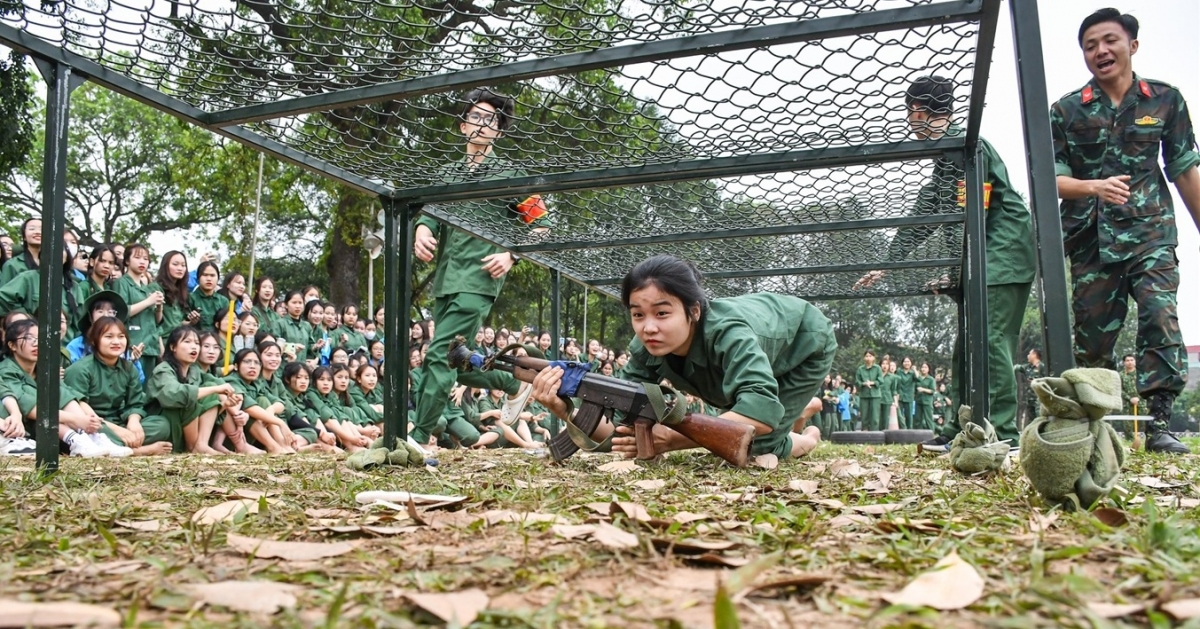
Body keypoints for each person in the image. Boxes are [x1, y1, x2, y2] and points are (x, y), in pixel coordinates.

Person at [857, 75, 1036, 452]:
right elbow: (925, 216)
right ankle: (966, 429)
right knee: (967, 348)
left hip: (1001, 256)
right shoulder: (946, 159)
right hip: (981, 259)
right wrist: (888, 264)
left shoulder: (970, 149)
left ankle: (1003, 433)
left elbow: (974, 214)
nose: (909, 120)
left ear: (917, 110)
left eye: (909, 112)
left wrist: (957, 271)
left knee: (989, 343)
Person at [1050, 9, 1199, 454]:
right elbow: (1050, 179)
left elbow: (1185, 171)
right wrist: (1093, 186)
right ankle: (1096, 427)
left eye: (1109, 40)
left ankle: (1159, 425)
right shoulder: (1066, 109)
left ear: (1132, 45)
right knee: (1093, 341)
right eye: (1090, 45)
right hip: (1090, 239)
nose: (1100, 51)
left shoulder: (1165, 101)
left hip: (1151, 234)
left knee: (1160, 315)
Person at [531, 255, 835, 461]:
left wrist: (674, 438)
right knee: (734, 429)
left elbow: (763, 412)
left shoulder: (729, 333)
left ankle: (808, 434)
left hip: (803, 343)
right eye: (638, 314)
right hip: (745, 361)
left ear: (694, 311)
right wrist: (564, 409)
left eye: (662, 313)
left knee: (758, 445)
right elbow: (621, 436)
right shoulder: (644, 351)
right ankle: (788, 409)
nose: (648, 327)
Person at [409, 87, 550, 449]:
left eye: (491, 120)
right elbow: (429, 215)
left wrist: (511, 254)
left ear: (498, 132)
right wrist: (421, 230)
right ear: (462, 125)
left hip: (479, 280)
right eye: (475, 116)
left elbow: (543, 226)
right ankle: (511, 381)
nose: (482, 124)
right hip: (445, 281)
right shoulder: (447, 174)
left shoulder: (510, 174)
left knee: (437, 356)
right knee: (456, 358)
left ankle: (419, 436)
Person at [0, 319, 127, 457]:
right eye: (29, 338)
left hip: (51, 425)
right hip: (24, 426)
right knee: (35, 393)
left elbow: (67, 392)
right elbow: (27, 405)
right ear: (12, 345)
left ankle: (90, 437)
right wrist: (74, 419)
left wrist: (88, 416)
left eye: (41, 338)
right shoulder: (7, 370)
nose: (37, 343)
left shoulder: (43, 368)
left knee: (57, 389)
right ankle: (76, 438)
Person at [63, 317, 173, 456]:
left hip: (118, 421)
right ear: (95, 340)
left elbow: (135, 403)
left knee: (162, 425)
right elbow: (77, 409)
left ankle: (120, 446)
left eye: (121, 336)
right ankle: (138, 451)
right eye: (109, 336)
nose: (116, 341)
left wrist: (134, 422)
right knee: (93, 432)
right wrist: (118, 431)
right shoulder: (80, 369)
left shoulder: (128, 368)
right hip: (91, 425)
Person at [146, 326, 256, 454]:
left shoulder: (194, 370)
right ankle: (197, 447)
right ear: (173, 347)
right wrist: (217, 389)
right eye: (187, 342)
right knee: (196, 396)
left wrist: (233, 402)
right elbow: (176, 395)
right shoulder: (163, 370)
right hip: (165, 423)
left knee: (211, 393)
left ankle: (202, 444)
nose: (194, 347)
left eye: (197, 343)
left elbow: (217, 382)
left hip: (181, 427)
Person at [113, 244, 162, 378]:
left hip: (150, 345)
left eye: (146, 259)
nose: (142, 262)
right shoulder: (121, 283)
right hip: (132, 346)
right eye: (137, 257)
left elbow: (156, 320)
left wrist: (159, 307)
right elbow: (121, 313)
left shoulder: (147, 288)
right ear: (127, 261)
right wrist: (148, 302)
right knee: (133, 385)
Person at [0, 218, 41, 288]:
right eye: (32, 229)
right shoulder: (12, 265)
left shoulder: (56, 263)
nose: (37, 232)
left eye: (42, 229)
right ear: (24, 236)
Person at [190, 261, 230, 332]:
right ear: (198, 278)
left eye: (212, 275)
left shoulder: (224, 301)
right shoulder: (190, 298)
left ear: (218, 278)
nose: (209, 279)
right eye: (205, 275)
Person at [1013, 348, 1047, 428]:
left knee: (1040, 417)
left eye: (1029, 354)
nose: (1028, 356)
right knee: (1031, 420)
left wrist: (1037, 381)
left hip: (1039, 398)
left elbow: (1048, 380)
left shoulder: (1042, 367)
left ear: (1034, 355)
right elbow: (1016, 367)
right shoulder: (1028, 367)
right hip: (1029, 399)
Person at [853, 351, 883, 431]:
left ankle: (875, 434)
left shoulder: (877, 368)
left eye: (870, 356)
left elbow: (881, 380)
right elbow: (857, 381)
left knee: (875, 417)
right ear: (864, 358)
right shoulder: (860, 369)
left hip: (875, 395)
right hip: (864, 395)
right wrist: (864, 384)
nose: (868, 358)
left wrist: (873, 383)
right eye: (866, 356)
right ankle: (865, 434)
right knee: (864, 416)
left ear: (874, 358)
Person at [914, 362, 936, 430]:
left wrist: (923, 389)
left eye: (925, 367)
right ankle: (919, 434)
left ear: (928, 369)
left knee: (928, 419)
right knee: (918, 419)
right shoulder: (918, 378)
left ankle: (931, 434)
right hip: (918, 401)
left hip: (927, 402)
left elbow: (932, 391)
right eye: (922, 367)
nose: (923, 369)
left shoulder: (931, 379)